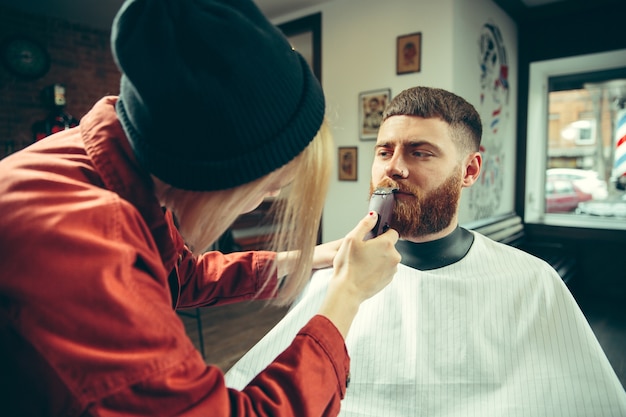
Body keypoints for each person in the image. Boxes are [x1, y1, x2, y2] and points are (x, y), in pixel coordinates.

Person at [0, 0, 401, 415]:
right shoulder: (86, 248)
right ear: (219, 178)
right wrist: (347, 293)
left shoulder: (114, 161)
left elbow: (180, 275)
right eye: (269, 189)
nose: (260, 203)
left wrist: (309, 257)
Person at [226, 86, 626, 416]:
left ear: (469, 171)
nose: (392, 168)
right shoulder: (335, 276)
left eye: (420, 152)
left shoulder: (532, 281)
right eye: (384, 151)